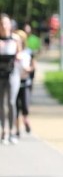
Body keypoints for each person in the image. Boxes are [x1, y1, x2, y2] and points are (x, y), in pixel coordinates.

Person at [0, 14, 22, 145]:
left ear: (10, 25)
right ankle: (4, 130)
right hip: (0, 74)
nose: (3, 26)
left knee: (11, 102)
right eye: (1, 24)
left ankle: (13, 130)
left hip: (12, 73)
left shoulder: (15, 39)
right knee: (1, 104)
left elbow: (20, 53)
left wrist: (18, 56)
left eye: (6, 23)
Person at [14, 29, 36, 138]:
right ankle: (17, 129)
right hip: (14, 82)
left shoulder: (28, 52)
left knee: (25, 105)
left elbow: (33, 66)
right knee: (15, 107)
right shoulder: (11, 52)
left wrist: (29, 69)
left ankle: (26, 119)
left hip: (25, 82)